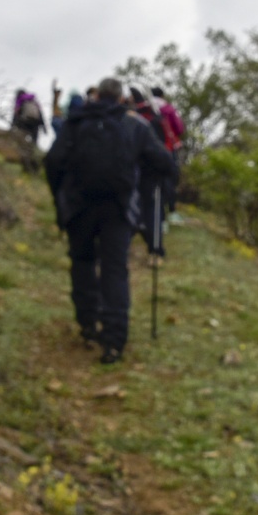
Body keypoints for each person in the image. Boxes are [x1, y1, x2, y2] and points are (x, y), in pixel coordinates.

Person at [45, 77, 174, 364]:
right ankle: (114, 340)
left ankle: (88, 324)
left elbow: (53, 161)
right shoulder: (133, 125)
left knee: (82, 263)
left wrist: (60, 198)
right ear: (121, 99)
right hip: (117, 208)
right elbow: (164, 162)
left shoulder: (76, 122)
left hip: (79, 207)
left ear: (96, 96)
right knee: (114, 270)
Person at [128, 87, 176, 257]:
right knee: (151, 210)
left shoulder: (138, 121)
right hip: (151, 171)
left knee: (141, 209)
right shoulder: (152, 118)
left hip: (138, 171)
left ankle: (153, 248)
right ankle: (155, 250)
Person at [150, 85, 186, 212]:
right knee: (170, 177)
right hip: (168, 147)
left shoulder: (145, 108)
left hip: (149, 148)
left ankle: (153, 208)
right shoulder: (169, 109)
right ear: (162, 95)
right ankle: (170, 207)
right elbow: (179, 128)